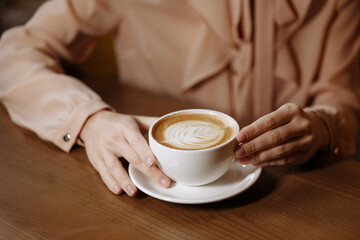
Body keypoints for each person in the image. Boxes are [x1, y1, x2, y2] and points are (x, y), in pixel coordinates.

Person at [0, 0, 359, 197]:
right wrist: (89, 120)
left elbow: (343, 100)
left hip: (290, 193)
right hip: (150, 201)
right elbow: (14, 53)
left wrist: (324, 125)